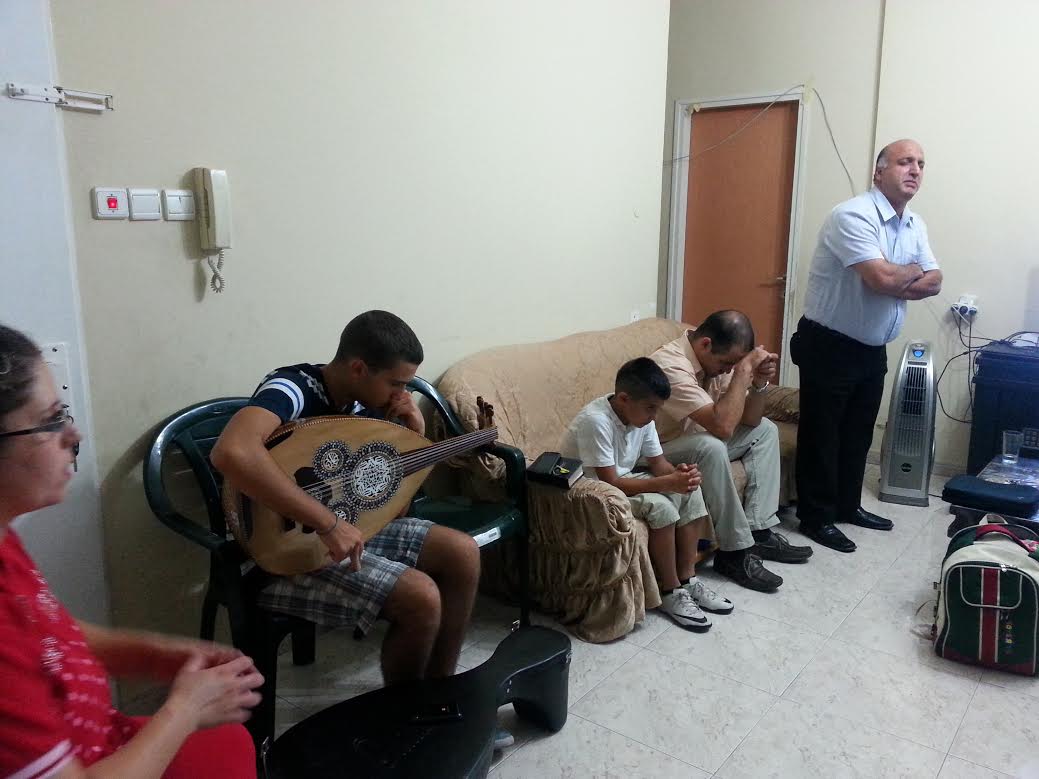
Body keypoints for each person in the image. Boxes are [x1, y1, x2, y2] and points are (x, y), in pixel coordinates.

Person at [208, 311, 503, 741]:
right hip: (279, 550)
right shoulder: (292, 389)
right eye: (396, 383)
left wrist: (413, 433)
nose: (403, 394)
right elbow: (231, 451)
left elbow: (387, 511)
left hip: (348, 528)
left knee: (462, 552)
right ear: (359, 368)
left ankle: (438, 695)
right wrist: (326, 522)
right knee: (421, 597)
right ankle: (404, 725)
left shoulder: (366, 409)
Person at [0, 323, 263, 779]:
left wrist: (158, 656)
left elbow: (51, 634)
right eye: (51, 420)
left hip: (103, 742)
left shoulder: (4, 540)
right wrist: (183, 710)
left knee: (230, 742)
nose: (72, 434)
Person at [791, 139, 942, 553]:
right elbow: (881, 279)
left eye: (921, 164)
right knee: (823, 435)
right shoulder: (852, 215)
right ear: (879, 172)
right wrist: (906, 274)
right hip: (829, 345)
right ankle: (816, 517)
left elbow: (935, 281)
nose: (915, 170)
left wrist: (897, 277)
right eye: (905, 162)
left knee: (857, 434)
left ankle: (847, 505)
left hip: (872, 348)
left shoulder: (914, 224)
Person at [560, 358, 733, 631]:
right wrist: (666, 483)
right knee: (661, 507)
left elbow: (659, 464)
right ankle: (670, 591)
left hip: (622, 480)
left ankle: (688, 579)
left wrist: (680, 476)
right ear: (623, 399)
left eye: (657, 408)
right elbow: (611, 481)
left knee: (690, 492)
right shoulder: (596, 421)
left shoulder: (642, 417)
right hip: (591, 491)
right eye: (650, 408)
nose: (654, 416)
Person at [650, 310, 813, 593]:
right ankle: (733, 554)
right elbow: (723, 427)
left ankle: (758, 531)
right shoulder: (670, 365)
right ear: (705, 345)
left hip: (695, 439)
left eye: (732, 366)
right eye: (726, 363)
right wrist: (742, 372)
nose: (727, 370)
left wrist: (758, 384)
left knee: (766, 430)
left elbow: (751, 420)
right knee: (710, 446)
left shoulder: (713, 361)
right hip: (657, 452)